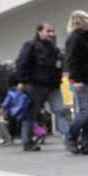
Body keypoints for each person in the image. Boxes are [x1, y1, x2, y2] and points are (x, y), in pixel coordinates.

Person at [15, 23, 71, 152]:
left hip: (53, 86)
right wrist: (22, 81)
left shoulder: (54, 49)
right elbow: (22, 63)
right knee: (31, 114)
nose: (51, 33)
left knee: (60, 111)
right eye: (48, 31)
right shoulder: (30, 46)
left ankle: (68, 139)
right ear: (39, 32)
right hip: (35, 85)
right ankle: (27, 141)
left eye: (52, 31)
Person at [63, 10, 88, 155]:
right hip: (81, 81)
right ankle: (69, 137)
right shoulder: (74, 39)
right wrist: (77, 80)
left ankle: (87, 145)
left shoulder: (86, 39)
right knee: (86, 112)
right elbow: (71, 61)